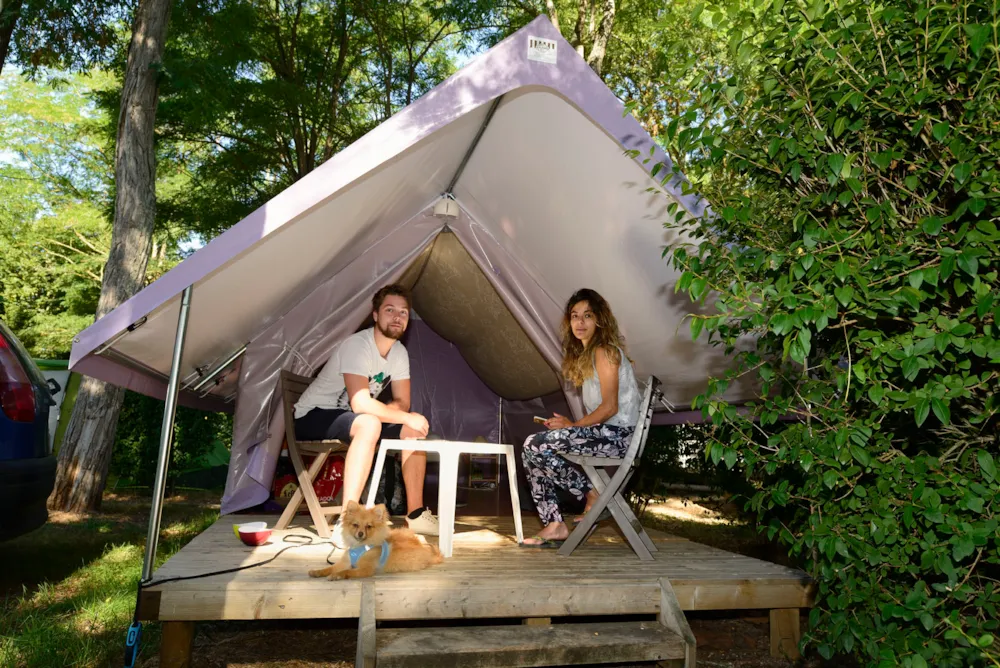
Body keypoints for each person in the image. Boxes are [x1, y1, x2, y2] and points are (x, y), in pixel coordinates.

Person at [293, 284, 438, 547]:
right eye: (390, 310)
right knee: (370, 423)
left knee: (413, 431)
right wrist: (398, 415)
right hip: (313, 416)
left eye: (403, 312)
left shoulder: (399, 353)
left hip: (352, 418)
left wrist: (403, 417)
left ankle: (415, 515)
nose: (397, 317)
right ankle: (347, 522)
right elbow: (360, 403)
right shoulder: (357, 345)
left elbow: (402, 402)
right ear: (375, 315)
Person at [520, 288, 641, 547]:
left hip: (619, 437)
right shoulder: (590, 357)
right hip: (608, 435)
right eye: (575, 316)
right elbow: (599, 416)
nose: (580, 322)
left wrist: (573, 427)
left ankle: (590, 494)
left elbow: (609, 408)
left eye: (587, 315)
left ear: (599, 320)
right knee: (533, 447)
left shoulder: (605, 351)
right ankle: (555, 523)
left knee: (534, 444)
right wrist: (568, 427)